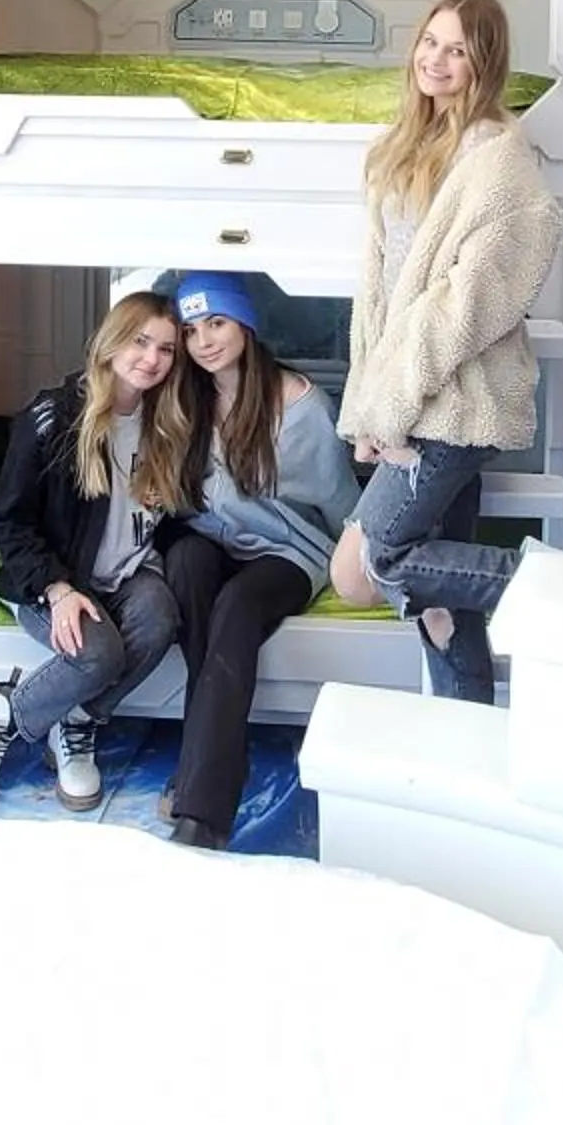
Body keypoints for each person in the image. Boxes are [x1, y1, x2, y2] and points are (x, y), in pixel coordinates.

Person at [330, 0, 562, 704]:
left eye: (456, 48)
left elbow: (465, 307)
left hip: (454, 405)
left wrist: (389, 407)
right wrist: (365, 408)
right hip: (406, 397)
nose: (436, 59)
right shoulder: (400, 149)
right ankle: (471, 738)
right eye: (430, 41)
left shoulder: (501, 163)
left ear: (483, 61)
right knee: (440, 607)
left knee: (365, 569)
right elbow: (377, 300)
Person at [0, 291, 195, 815]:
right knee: (98, 654)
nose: (151, 359)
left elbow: (173, 520)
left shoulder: (169, 424)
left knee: (159, 619)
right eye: (140, 341)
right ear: (111, 342)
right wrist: (56, 589)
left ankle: (75, 723)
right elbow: (10, 522)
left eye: (167, 349)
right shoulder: (53, 417)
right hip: (56, 578)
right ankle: (2, 718)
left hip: (129, 575)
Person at [156, 270, 361, 850]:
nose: (204, 342)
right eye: (192, 330)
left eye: (216, 323)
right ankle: (210, 757)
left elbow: (341, 502)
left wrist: (368, 567)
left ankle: (203, 812)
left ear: (244, 322)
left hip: (287, 549)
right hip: (209, 538)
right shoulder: (183, 394)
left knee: (238, 605)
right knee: (189, 570)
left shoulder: (301, 406)